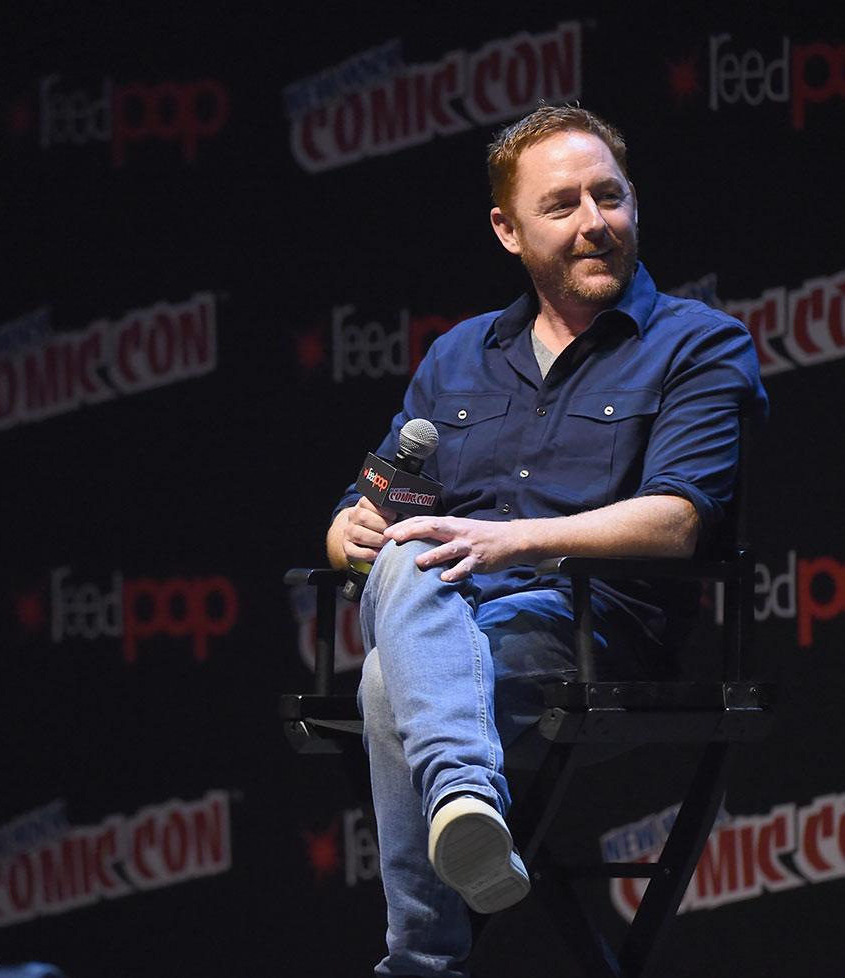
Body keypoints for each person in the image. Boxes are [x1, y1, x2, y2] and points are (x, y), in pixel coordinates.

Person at [325, 105, 766, 977]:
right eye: (562, 205)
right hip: (448, 611)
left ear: (634, 202)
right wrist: (346, 533)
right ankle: (462, 802)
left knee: (387, 677)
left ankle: (422, 951)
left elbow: (677, 520)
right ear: (508, 230)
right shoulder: (456, 356)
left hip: (595, 633)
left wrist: (509, 543)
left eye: (610, 196)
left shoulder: (698, 344)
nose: (594, 223)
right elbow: (370, 503)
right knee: (407, 558)